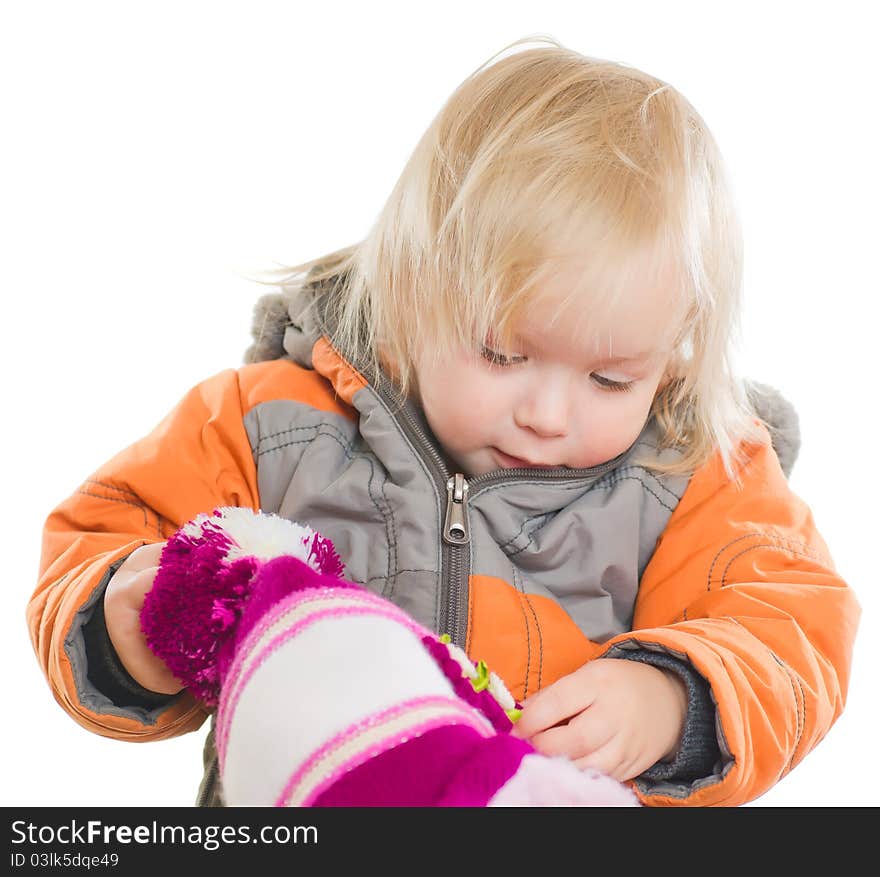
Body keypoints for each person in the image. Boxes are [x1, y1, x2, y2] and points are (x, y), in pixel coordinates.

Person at [28, 35, 860, 808]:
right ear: (411, 287)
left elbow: (795, 625)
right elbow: (98, 535)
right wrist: (121, 620)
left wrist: (674, 693)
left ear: (672, 354)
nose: (545, 413)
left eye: (610, 377)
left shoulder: (693, 471)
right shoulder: (267, 425)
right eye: (501, 354)